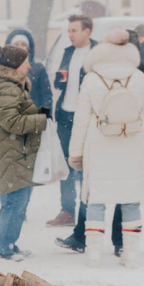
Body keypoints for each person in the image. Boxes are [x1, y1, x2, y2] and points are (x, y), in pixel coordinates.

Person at [67, 29, 144, 268]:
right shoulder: (138, 78)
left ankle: (94, 255)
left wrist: (75, 152)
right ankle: (131, 254)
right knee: (130, 202)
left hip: (99, 147)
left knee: (96, 200)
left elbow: (81, 120)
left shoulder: (91, 79)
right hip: (133, 146)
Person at [0, 29, 53, 223]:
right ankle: (9, 213)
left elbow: (46, 95)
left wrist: (43, 113)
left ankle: (16, 212)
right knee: (11, 176)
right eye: (17, 44)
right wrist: (39, 119)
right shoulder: (7, 82)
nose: (21, 48)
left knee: (23, 176)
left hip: (27, 131)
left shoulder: (35, 70)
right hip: (16, 131)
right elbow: (9, 117)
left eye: (24, 45)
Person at [48, 15, 98, 228]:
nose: (70, 35)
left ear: (87, 31)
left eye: (74, 30)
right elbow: (61, 83)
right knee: (66, 165)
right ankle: (67, 210)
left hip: (86, 118)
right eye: (69, 30)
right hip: (66, 115)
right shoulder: (68, 52)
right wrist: (61, 77)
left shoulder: (97, 53)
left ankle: (88, 212)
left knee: (88, 166)